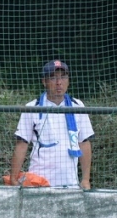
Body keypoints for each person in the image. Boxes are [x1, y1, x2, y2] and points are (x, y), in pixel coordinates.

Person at [9, 60, 94, 189]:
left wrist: (86, 180)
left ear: (68, 81)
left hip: (70, 185)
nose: (59, 82)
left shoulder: (78, 106)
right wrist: (13, 179)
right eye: (53, 78)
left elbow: (84, 142)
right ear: (44, 81)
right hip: (38, 184)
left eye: (63, 77)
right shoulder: (32, 107)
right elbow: (22, 144)